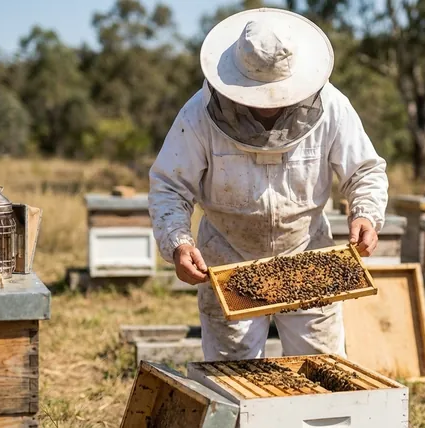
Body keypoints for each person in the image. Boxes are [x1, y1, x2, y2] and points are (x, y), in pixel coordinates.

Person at [148, 8, 388, 361]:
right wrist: (178, 243)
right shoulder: (197, 114)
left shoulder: (333, 107)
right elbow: (170, 186)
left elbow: (364, 171)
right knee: (235, 379)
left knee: (321, 371)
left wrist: (366, 213)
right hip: (229, 257)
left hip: (308, 256)